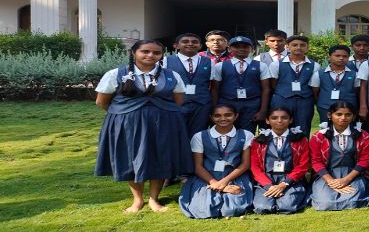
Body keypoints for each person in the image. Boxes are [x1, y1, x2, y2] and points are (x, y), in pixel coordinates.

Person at [95, 40, 192, 213]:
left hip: (163, 124)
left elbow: (177, 101)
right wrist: (125, 115)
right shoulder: (115, 74)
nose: (150, 55)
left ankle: (154, 199)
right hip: (128, 125)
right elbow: (102, 102)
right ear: (134, 53)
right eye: (145, 51)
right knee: (131, 159)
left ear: (162, 55)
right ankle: (138, 200)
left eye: (156, 53)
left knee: (160, 158)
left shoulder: (172, 75)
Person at [178, 104, 254, 219]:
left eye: (228, 115)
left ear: (236, 116)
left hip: (234, 175)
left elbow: (245, 164)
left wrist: (225, 181)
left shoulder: (246, 135)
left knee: (233, 209)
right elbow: (198, 166)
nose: (223, 118)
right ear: (211, 117)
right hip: (207, 176)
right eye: (217, 115)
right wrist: (215, 184)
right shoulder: (199, 136)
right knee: (204, 210)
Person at [309, 101, 369, 211]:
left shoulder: (363, 135)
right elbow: (316, 161)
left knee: (354, 200)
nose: (343, 118)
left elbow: (365, 160)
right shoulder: (318, 136)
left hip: (353, 174)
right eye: (338, 114)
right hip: (327, 175)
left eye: (348, 115)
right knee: (324, 203)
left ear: (353, 116)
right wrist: (331, 182)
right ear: (330, 115)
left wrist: (346, 180)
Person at [250, 108, 310, 214]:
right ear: (267, 120)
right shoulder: (259, 140)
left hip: (290, 179)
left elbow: (303, 165)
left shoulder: (300, 139)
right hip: (266, 179)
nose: (279, 121)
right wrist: (269, 186)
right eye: (274, 118)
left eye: (284, 118)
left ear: (291, 120)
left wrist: (284, 184)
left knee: (287, 207)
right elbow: (255, 167)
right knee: (262, 208)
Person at [210, 36, 271, 133]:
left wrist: (263, 110)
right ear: (229, 49)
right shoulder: (220, 66)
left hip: (252, 105)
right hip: (227, 103)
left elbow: (266, 89)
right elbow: (215, 89)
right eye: (237, 47)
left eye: (245, 46)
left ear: (252, 49)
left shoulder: (261, 65)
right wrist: (215, 107)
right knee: (227, 131)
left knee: (248, 133)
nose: (241, 49)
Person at [268, 35, 320, 136]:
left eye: (302, 45)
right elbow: (273, 84)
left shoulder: (315, 65)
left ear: (307, 47)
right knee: (280, 127)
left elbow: (314, 86)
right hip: (282, 99)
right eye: (294, 45)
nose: (298, 47)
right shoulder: (276, 64)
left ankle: (302, 146)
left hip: (304, 101)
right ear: (288, 47)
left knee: (303, 128)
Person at [165, 33, 213, 137]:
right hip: (176, 104)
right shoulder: (166, 61)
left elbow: (213, 84)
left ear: (200, 46)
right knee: (176, 134)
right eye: (185, 41)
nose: (190, 44)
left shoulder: (209, 61)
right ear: (176, 45)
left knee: (198, 135)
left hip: (202, 105)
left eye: (194, 42)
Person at [311, 45, 359, 123]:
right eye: (337, 56)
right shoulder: (319, 74)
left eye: (345, 56)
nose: (341, 58)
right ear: (329, 57)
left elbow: (357, 91)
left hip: (348, 109)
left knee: (348, 128)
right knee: (326, 128)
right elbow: (315, 92)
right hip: (326, 107)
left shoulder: (355, 74)